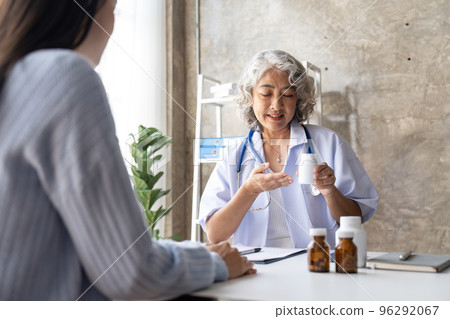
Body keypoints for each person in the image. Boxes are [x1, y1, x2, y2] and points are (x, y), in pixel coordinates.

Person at [0, 0, 254, 301]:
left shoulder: (15, 78)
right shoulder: (62, 74)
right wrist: (213, 261)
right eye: (114, 8)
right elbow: (131, 273)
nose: (112, 23)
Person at [199, 50, 378, 248]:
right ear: (250, 96)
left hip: (317, 265)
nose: (276, 105)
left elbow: (355, 218)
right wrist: (249, 191)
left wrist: (329, 191)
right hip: (256, 269)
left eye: (288, 95)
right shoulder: (234, 154)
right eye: (266, 94)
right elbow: (215, 234)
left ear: (298, 99)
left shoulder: (329, 143)